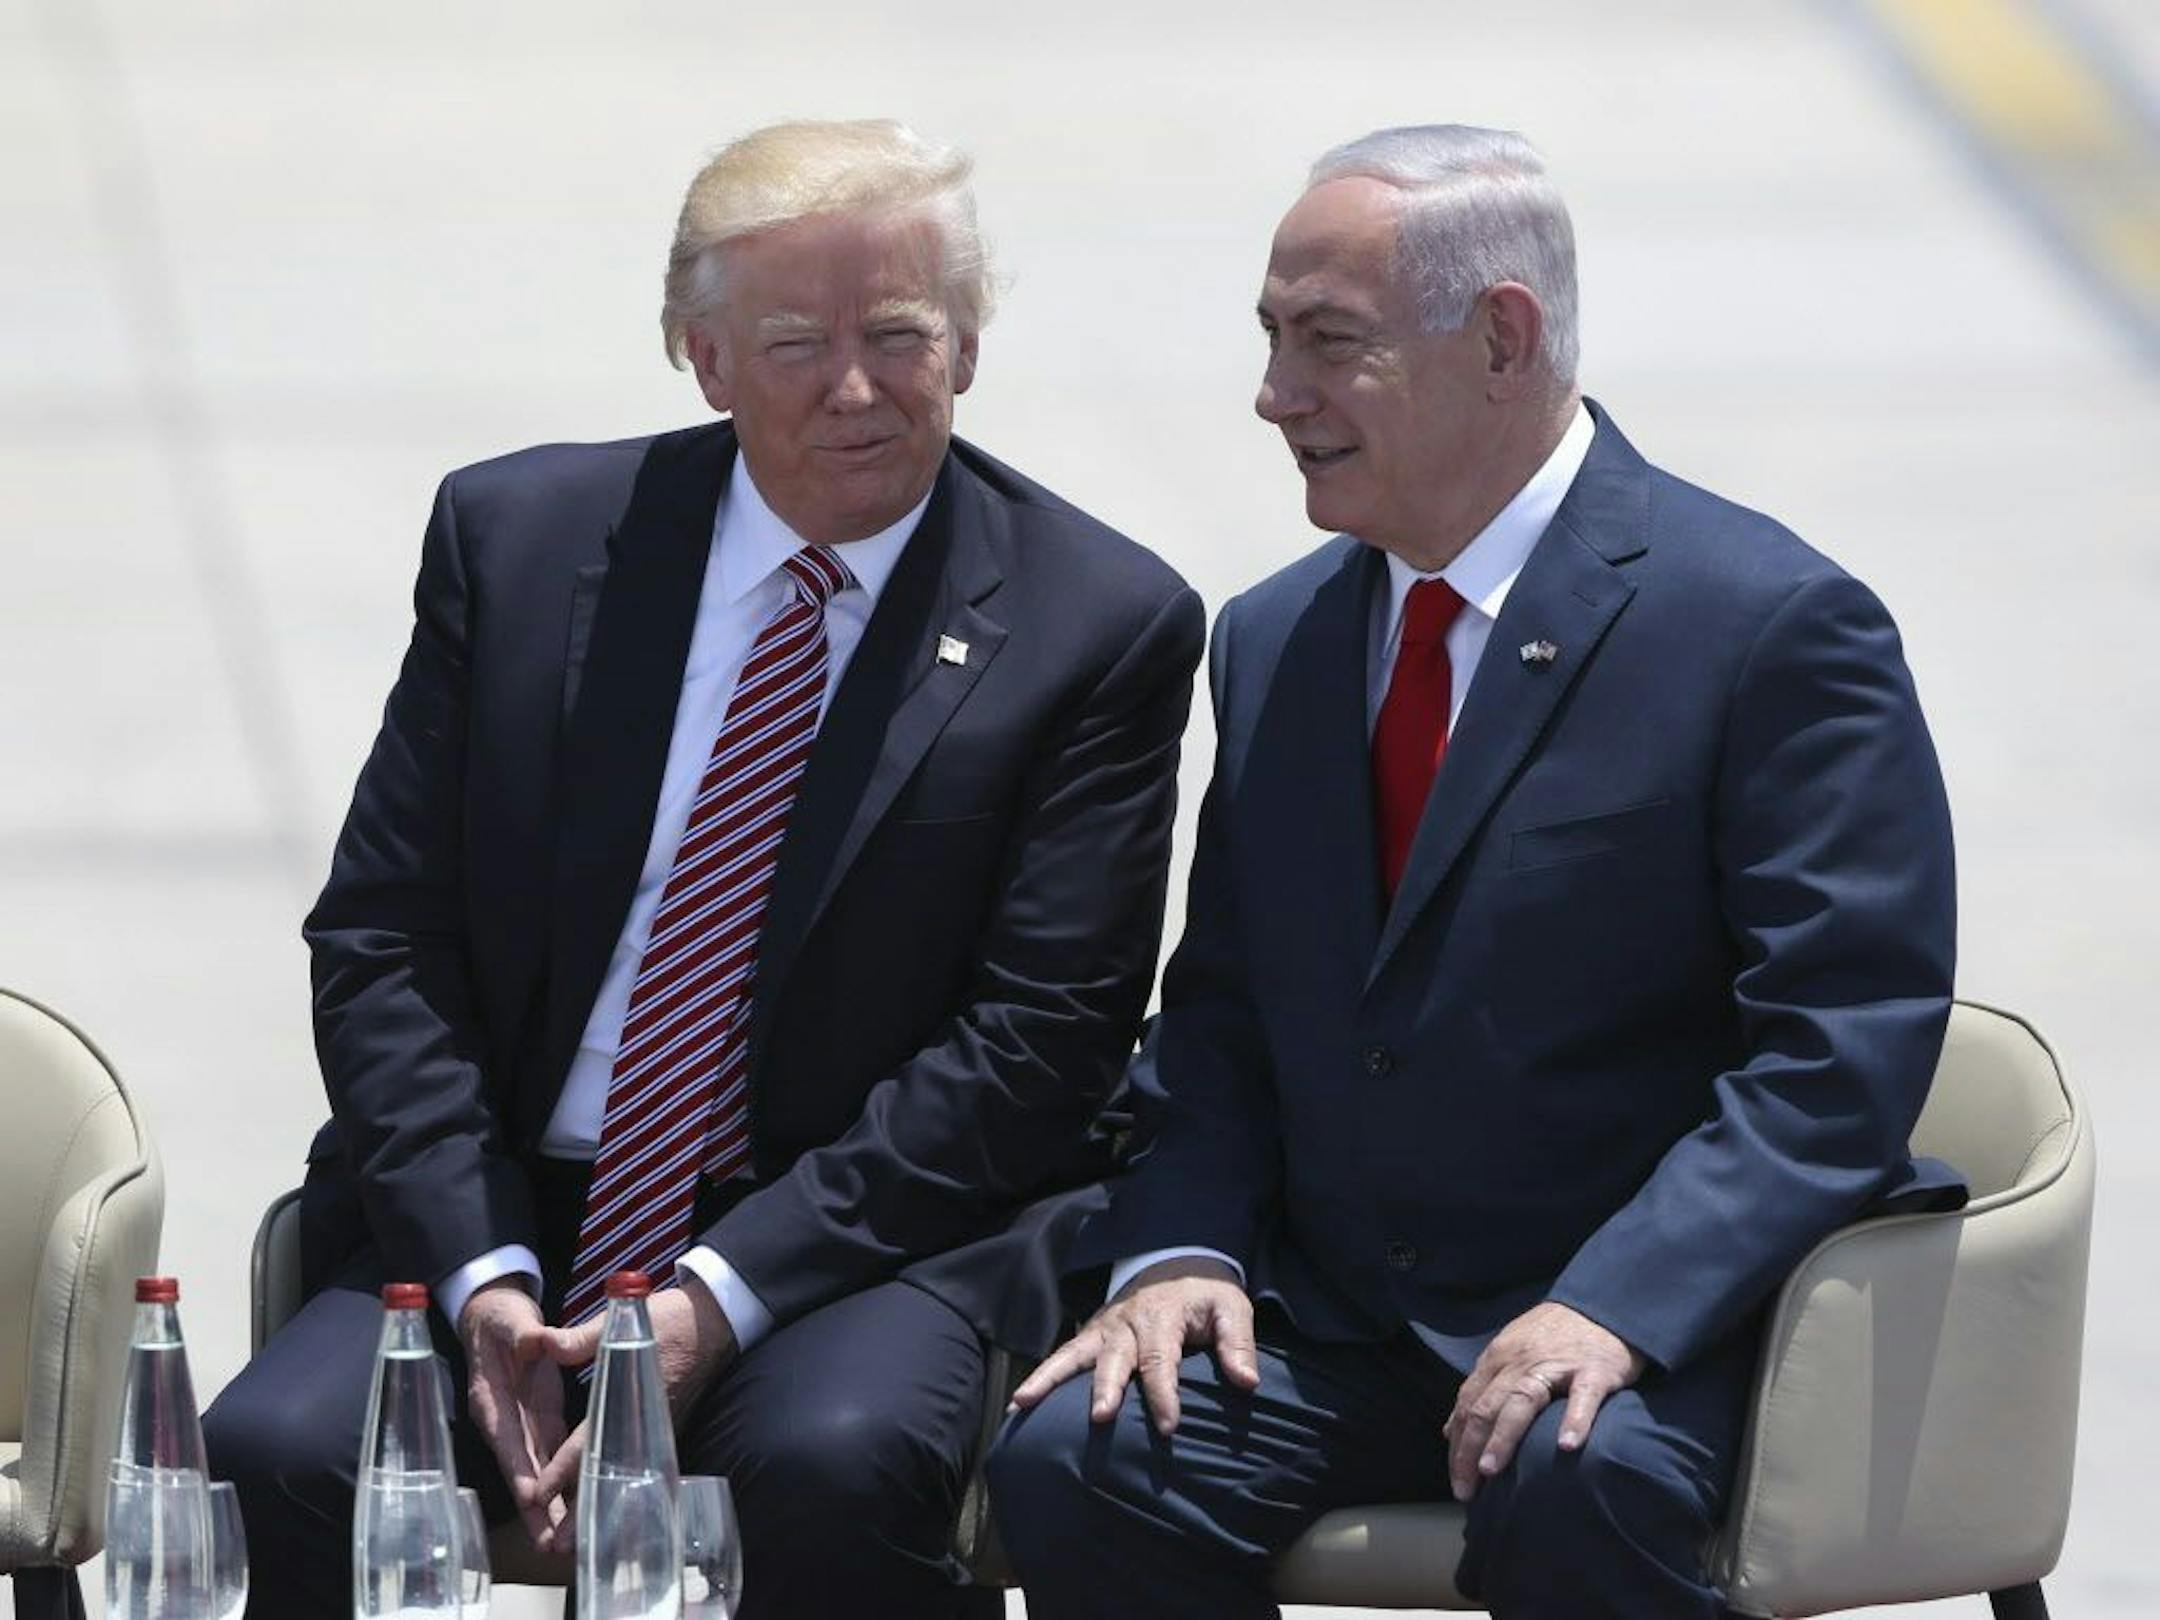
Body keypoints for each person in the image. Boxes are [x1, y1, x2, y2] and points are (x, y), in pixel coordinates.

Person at [202, 118, 1202, 1620]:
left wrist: (709, 1303)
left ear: (972, 347)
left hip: (842, 1241)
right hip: (509, 1206)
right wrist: (483, 1281)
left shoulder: (1098, 623)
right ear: (701, 355)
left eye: (902, 334)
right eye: (796, 340)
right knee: (272, 1451)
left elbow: (1038, 1047)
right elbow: (384, 940)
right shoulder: (522, 540)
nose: (856, 385)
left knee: (835, 1469)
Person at [987, 124, 1963, 1620]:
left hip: (1648, 1324)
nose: (1276, 395)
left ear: (1502, 338)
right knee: (1083, 1454)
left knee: (1577, 1478)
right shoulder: (1279, 637)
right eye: (1270, 339)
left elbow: (1840, 1054)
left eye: (1330, 344)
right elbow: (1230, 1010)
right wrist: (1178, 1252)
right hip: (1339, 1323)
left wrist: (1611, 1306)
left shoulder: (1767, 627)